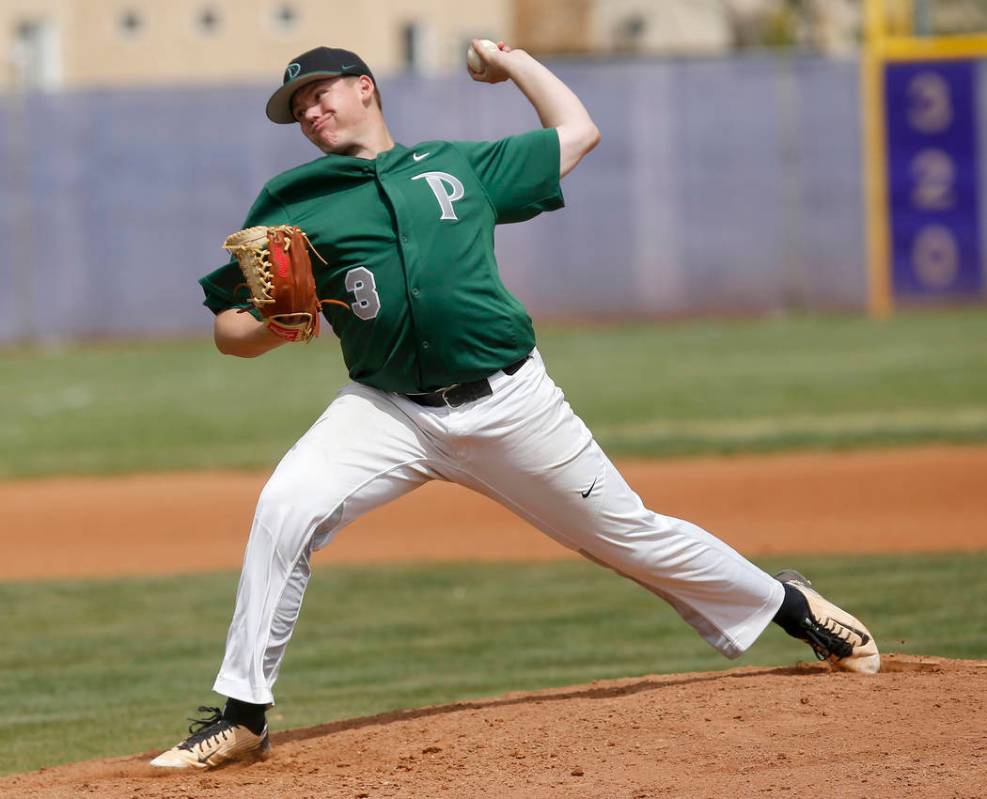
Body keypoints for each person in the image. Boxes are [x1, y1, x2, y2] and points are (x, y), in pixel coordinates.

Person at [150, 43, 879, 770]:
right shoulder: (291, 200)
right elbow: (228, 331)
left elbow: (578, 131)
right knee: (284, 506)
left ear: (365, 88)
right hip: (386, 409)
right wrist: (273, 326)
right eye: (297, 108)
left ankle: (791, 606)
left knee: (627, 533)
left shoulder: (455, 165)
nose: (309, 112)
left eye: (319, 94)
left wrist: (513, 62)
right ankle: (244, 715)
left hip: (510, 400)